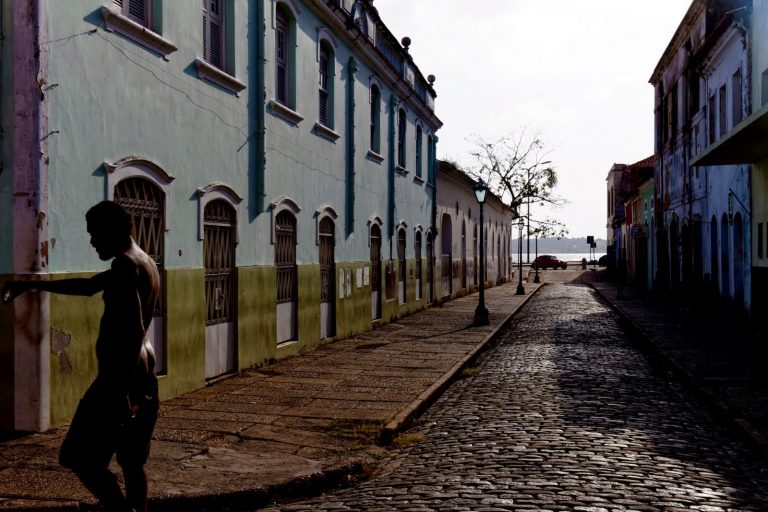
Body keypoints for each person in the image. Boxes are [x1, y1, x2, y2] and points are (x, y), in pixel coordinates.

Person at [2, 201, 160, 512]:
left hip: (118, 381)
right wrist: (30, 285)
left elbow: (132, 330)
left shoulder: (125, 265)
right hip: (143, 379)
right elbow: (88, 287)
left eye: (95, 233)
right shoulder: (142, 261)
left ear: (112, 230)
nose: (92, 241)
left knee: (77, 456)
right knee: (131, 462)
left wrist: (121, 392)